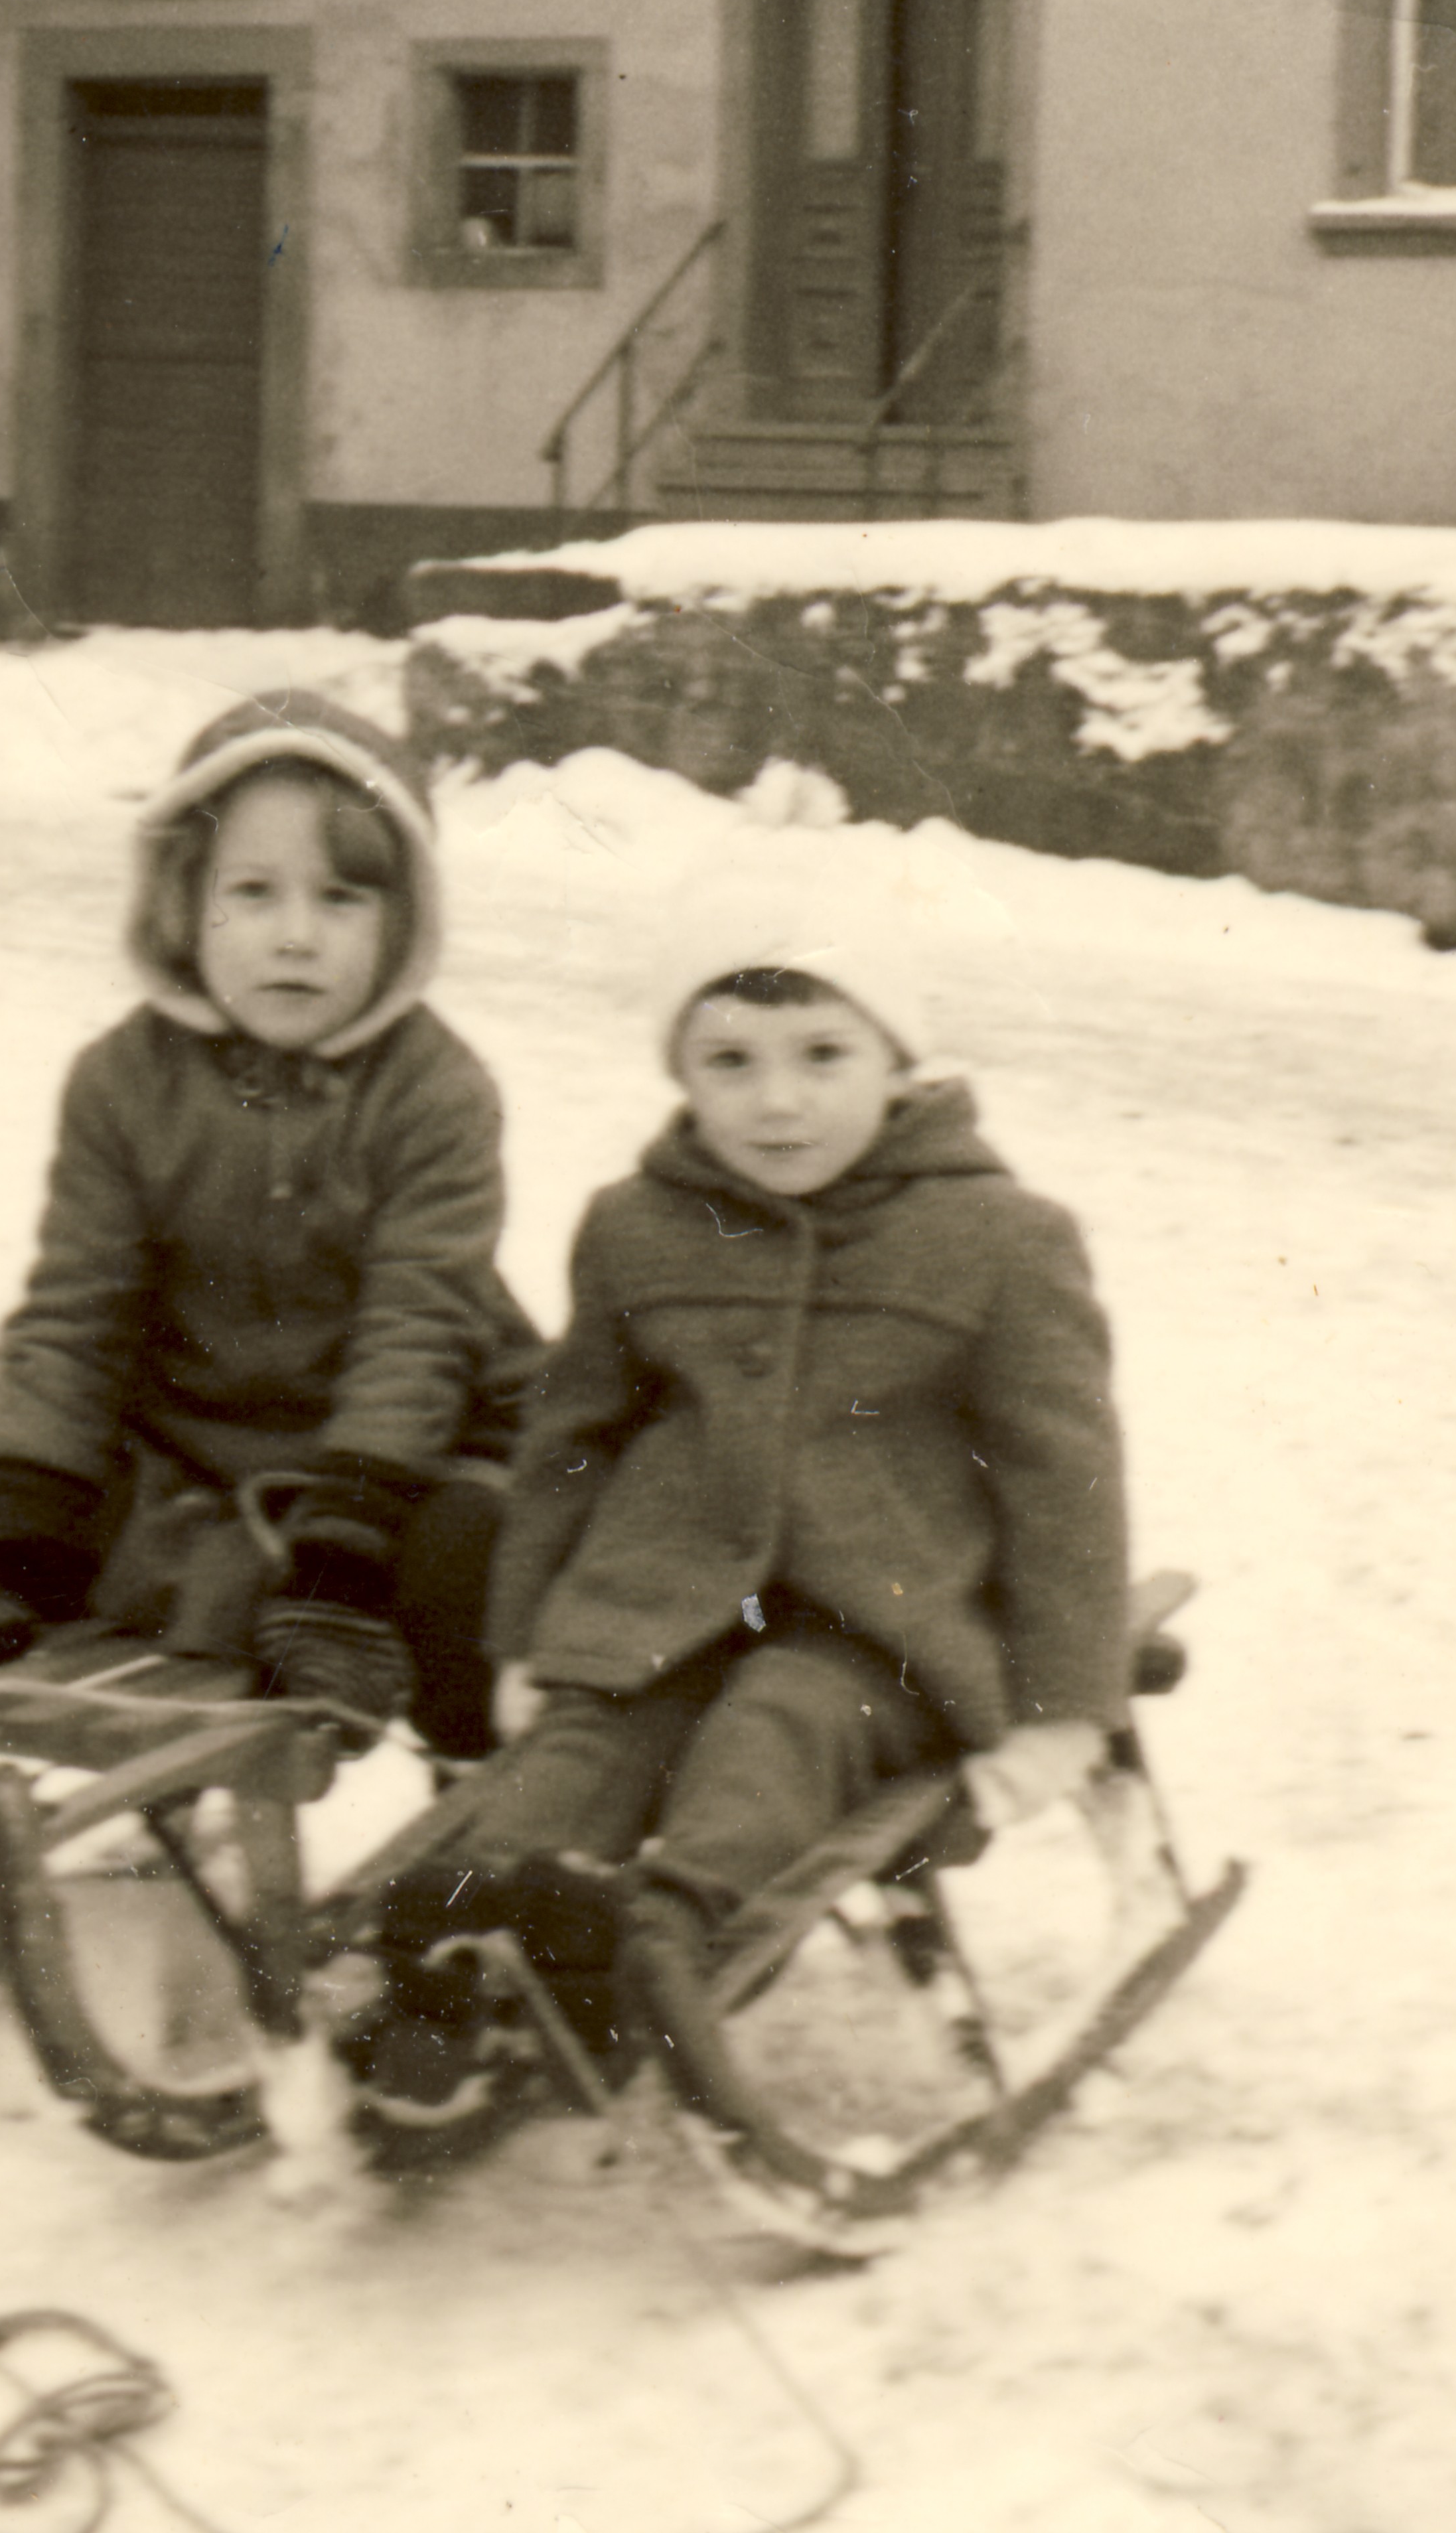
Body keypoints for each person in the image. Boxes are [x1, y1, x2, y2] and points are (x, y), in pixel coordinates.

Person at [0, 688, 536, 1979]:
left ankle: (476, 1870)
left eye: (343, 900)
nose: (294, 936)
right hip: (189, 1462)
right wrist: (30, 1523)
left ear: (406, 923)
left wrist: (342, 1550)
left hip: (389, 1467)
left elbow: (416, 1328)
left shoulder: (437, 1094)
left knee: (480, 1553)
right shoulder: (121, 1081)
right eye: (254, 892)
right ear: (182, 898)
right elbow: (76, 1310)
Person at [346, 909, 1129, 2152]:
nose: (778, 1103)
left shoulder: (1004, 1242)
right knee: (589, 1739)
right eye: (731, 1061)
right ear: (681, 1072)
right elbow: (571, 1447)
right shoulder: (634, 1226)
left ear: (898, 1056)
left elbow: (1066, 1486)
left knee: (782, 1726)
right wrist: (528, 1639)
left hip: (884, 1634)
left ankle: (658, 1939)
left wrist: (1067, 1710)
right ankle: (463, 1921)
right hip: (662, 1600)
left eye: (824, 1055)